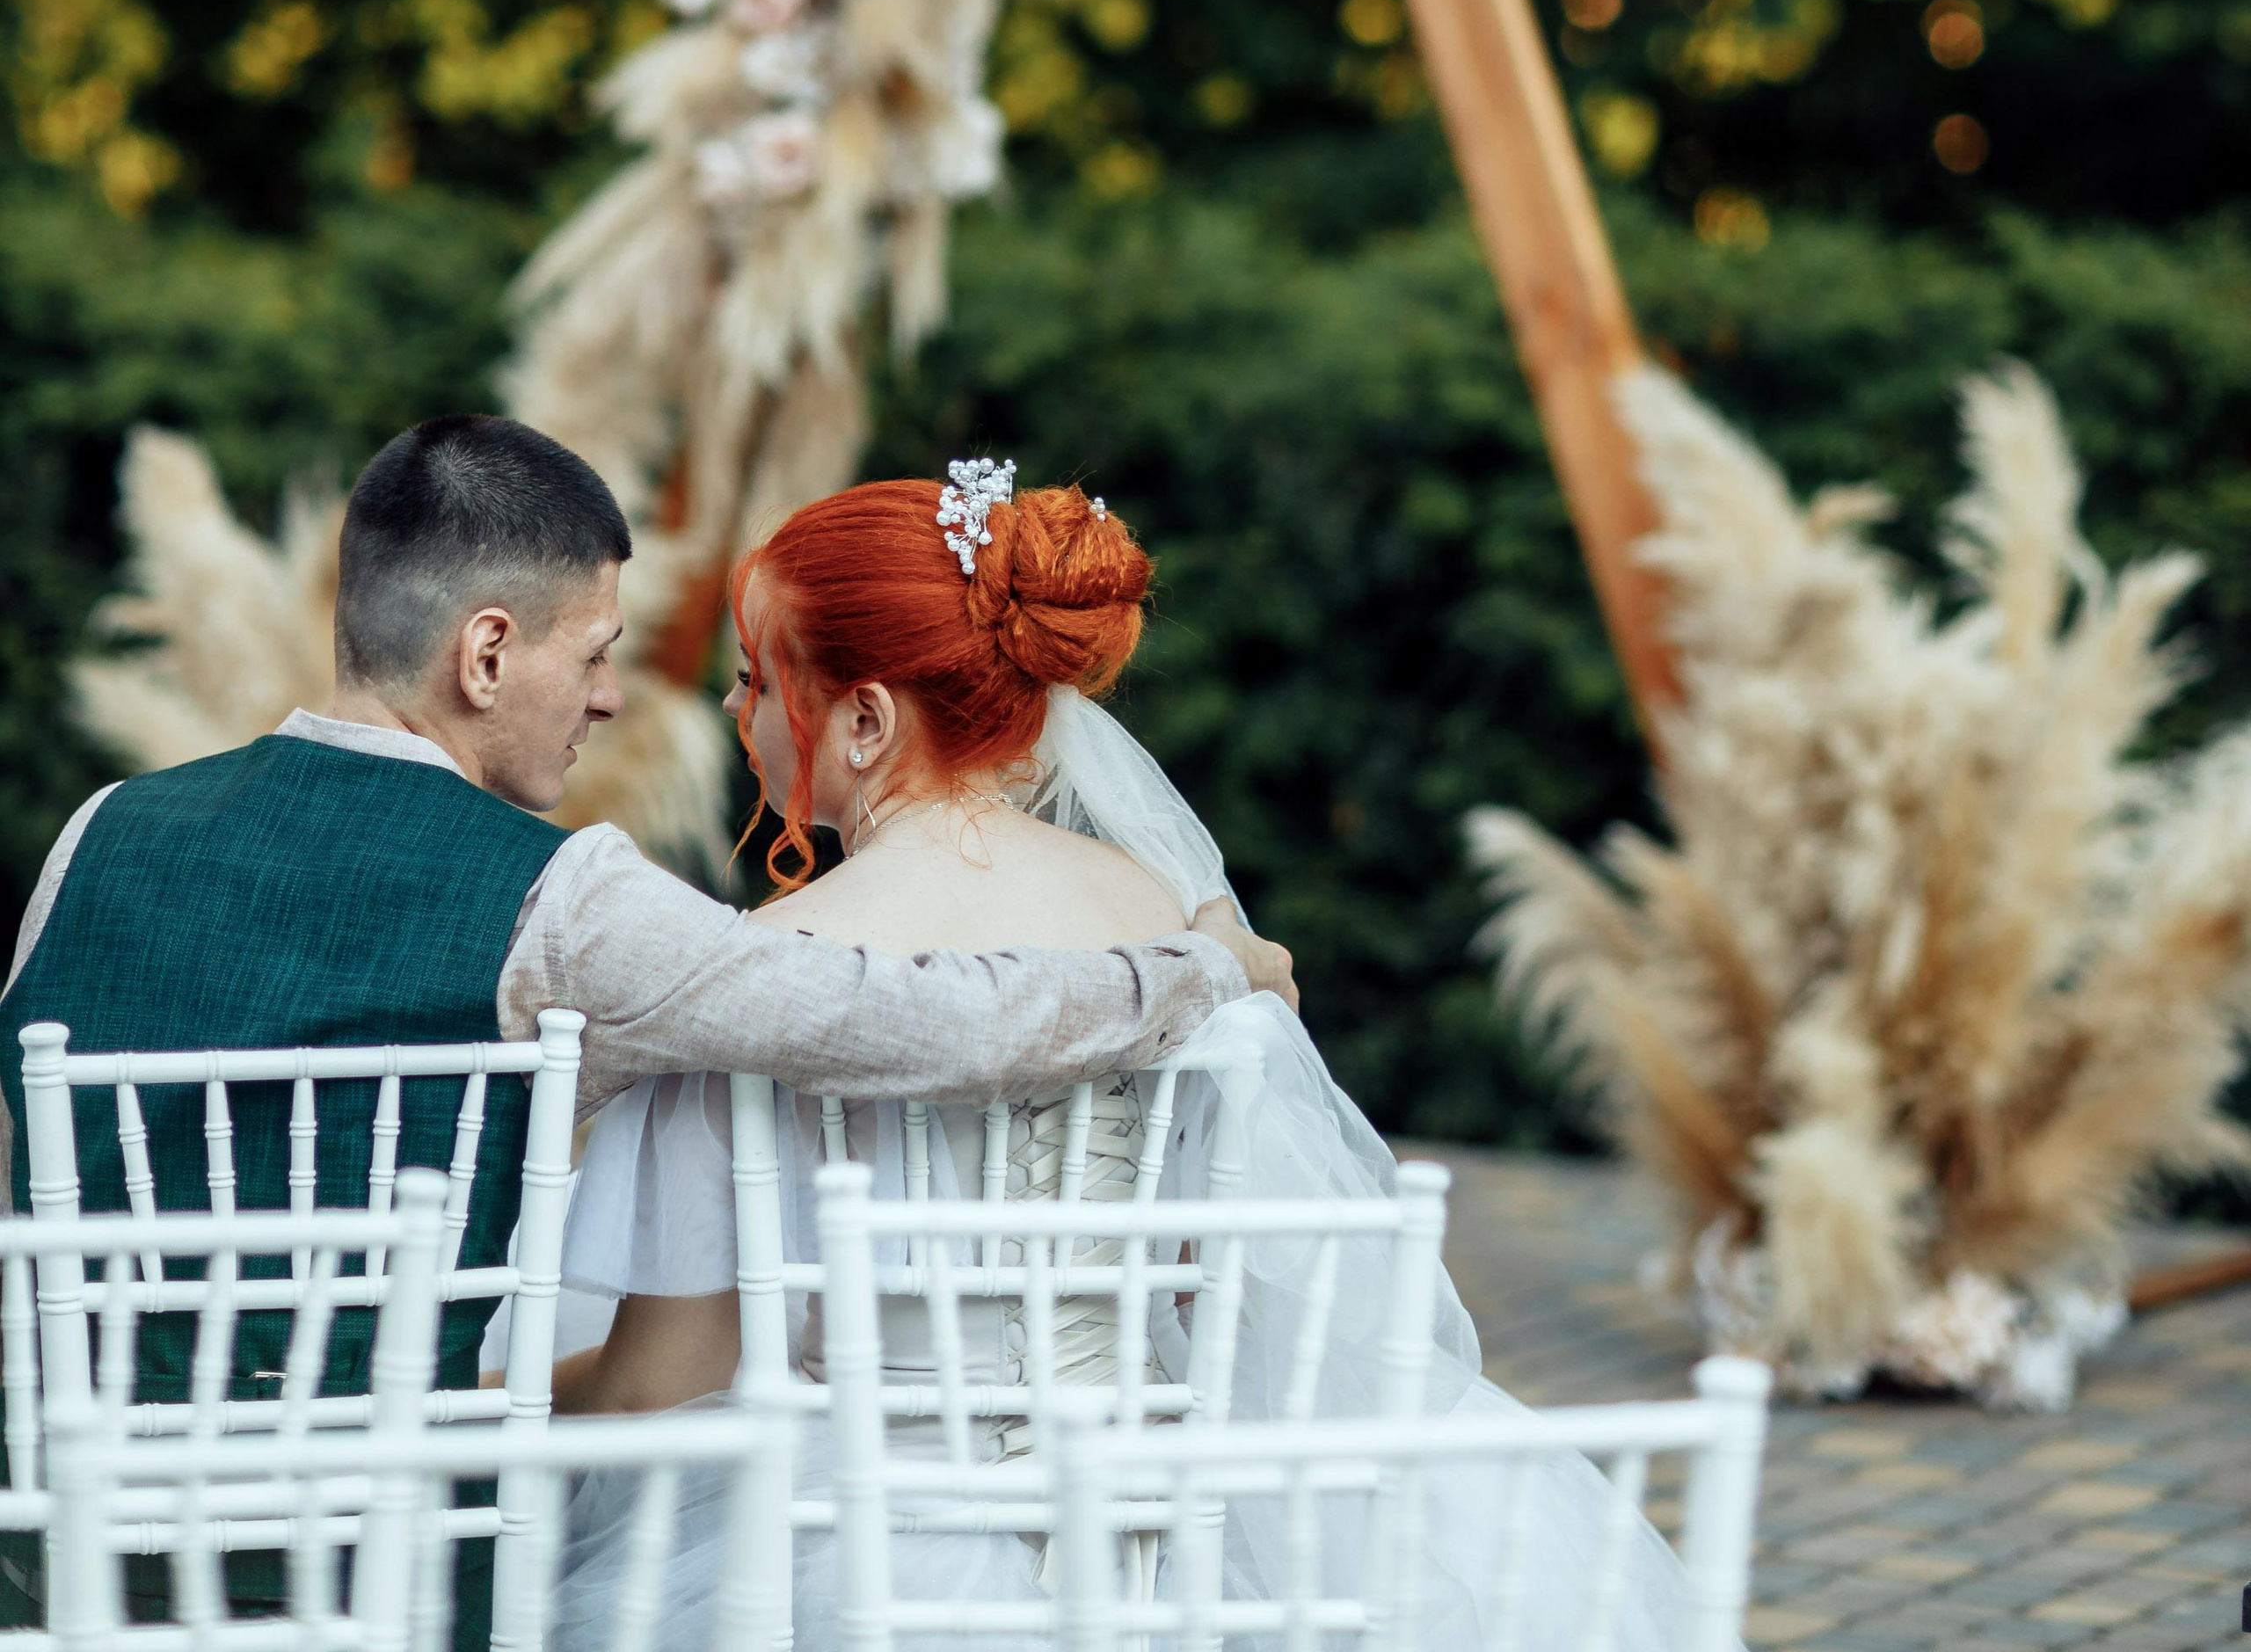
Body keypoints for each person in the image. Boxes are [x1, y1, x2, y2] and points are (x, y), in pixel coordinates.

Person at [551, 463, 1697, 1652]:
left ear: (867, 720)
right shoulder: (1164, 917)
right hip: (1153, 1532)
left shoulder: (761, 977)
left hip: (861, 1553)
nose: (737, 709)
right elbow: (1200, 1273)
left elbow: (662, 1388)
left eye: (757, 677)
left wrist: (484, 1405)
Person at [0, 415, 1289, 1338]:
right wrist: (1193, 968)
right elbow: (912, 1019)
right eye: (597, 654)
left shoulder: (96, 835)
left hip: (78, 1530)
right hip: (401, 1552)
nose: (615, 699)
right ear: (486, 655)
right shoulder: (566, 902)